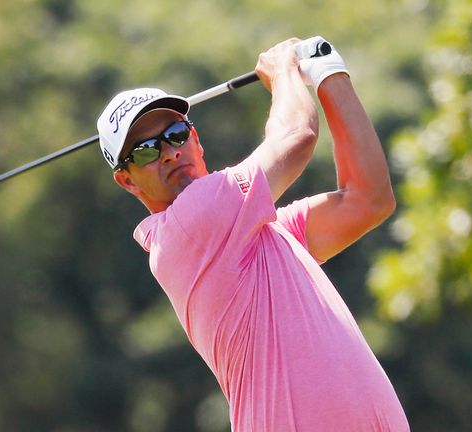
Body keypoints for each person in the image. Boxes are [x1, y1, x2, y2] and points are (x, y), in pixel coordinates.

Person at [96, 36, 409, 431]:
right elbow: (296, 137)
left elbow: (368, 199)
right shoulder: (190, 223)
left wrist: (329, 71)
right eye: (146, 151)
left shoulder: (266, 231)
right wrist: (283, 72)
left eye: (175, 133)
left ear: (196, 139)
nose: (170, 152)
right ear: (127, 181)